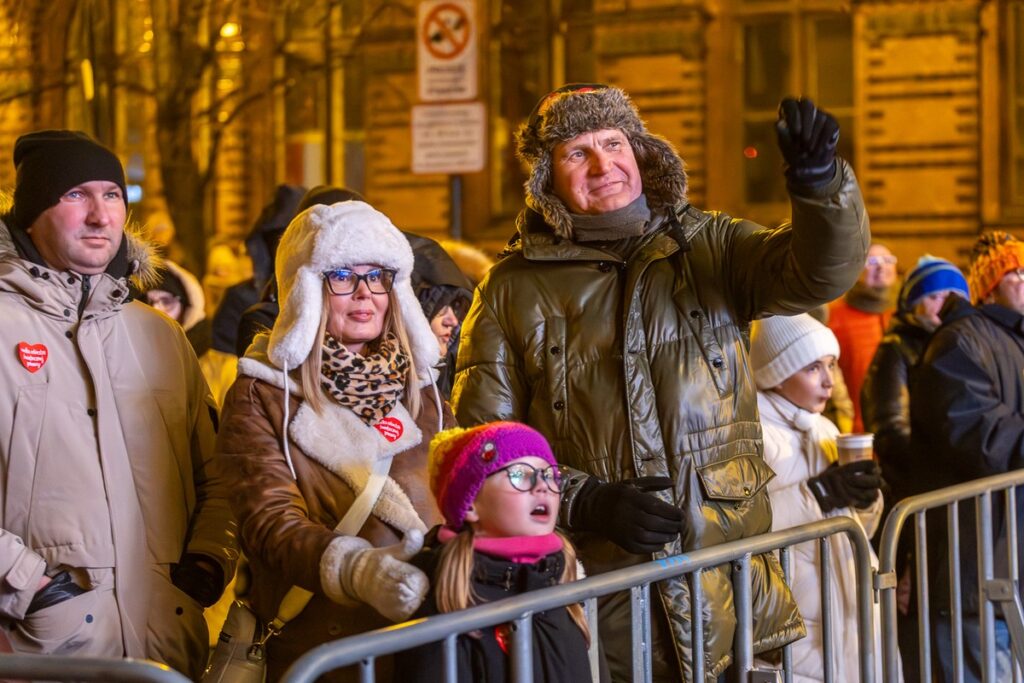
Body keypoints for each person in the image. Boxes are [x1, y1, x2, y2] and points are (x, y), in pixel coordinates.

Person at [452, 84, 870, 680]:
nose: (603, 165)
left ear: (641, 153)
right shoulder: (508, 289)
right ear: (548, 177)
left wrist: (818, 184)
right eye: (578, 153)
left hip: (728, 592)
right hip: (601, 599)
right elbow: (482, 440)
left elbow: (821, 272)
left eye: (613, 142)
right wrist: (583, 499)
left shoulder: (712, 247)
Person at [0, 130, 235, 678]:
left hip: (167, 642)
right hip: (40, 651)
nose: (101, 215)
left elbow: (219, 473)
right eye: (75, 195)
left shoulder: (160, 335)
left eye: (111, 195)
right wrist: (31, 587)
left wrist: (208, 560)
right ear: (32, 214)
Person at [217, 199, 454, 681]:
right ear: (305, 289)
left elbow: (458, 492)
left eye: (379, 276)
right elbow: (269, 523)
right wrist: (360, 571)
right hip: (325, 642)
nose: (365, 294)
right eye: (342, 276)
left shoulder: (421, 385)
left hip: (427, 633)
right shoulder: (262, 392)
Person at [393, 421, 591, 682]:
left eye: (549, 475)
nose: (543, 486)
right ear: (471, 504)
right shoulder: (445, 598)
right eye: (520, 475)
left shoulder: (563, 584)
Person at [911, 231, 1024, 683]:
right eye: (1013, 271)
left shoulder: (1012, 341)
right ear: (989, 285)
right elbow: (982, 435)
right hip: (977, 572)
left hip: (1008, 564)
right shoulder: (961, 342)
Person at [750, 313, 887, 682]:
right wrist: (821, 493)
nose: (829, 381)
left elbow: (859, 529)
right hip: (800, 618)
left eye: (831, 365)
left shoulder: (824, 427)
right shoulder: (756, 435)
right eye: (812, 368)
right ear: (778, 373)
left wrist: (864, 500)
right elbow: (745, 525)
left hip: (845, 609)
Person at [860, 255, 969, 681]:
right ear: (913, 304)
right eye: (936, 294)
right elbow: (891, 428)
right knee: (913, 606)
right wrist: (939, 466)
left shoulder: (952, 344)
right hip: (910, 496)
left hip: (936, 497)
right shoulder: (897, 349)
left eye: (956, 295)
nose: (946, 303)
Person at [210, 184, 305, 358]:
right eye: (278, 239)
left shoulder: (333, 298)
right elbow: (222, 369)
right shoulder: (241, 298)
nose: (286, 248)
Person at [828, 243, 899, 432]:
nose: (881, 267)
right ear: (856, 271)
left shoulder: (905, 313)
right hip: (856, 429)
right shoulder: (836, 317)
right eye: (872, 261)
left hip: (902, 429)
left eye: (888, 260)